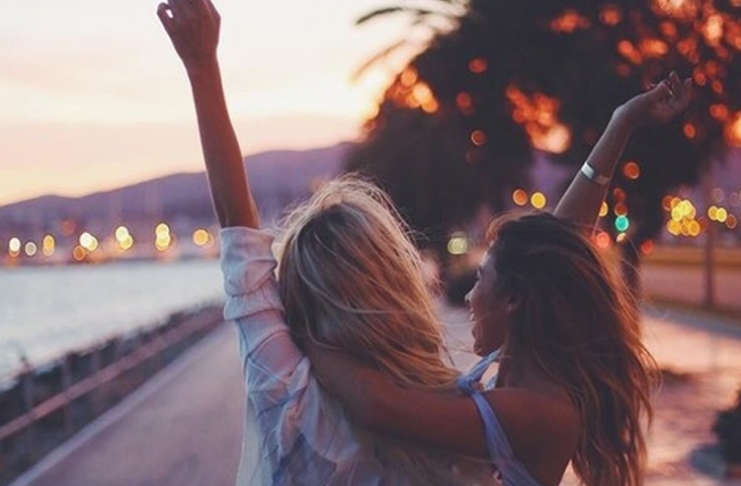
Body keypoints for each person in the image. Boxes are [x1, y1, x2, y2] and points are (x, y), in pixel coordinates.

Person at [156, 1, 692, 485]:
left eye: (482, 278)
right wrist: (619, 127)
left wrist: (302, 334)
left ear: (515, 299)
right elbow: (556, 253)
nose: (469, 293)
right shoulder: (466, 408)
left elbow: (373, 402)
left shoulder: (310, 398)